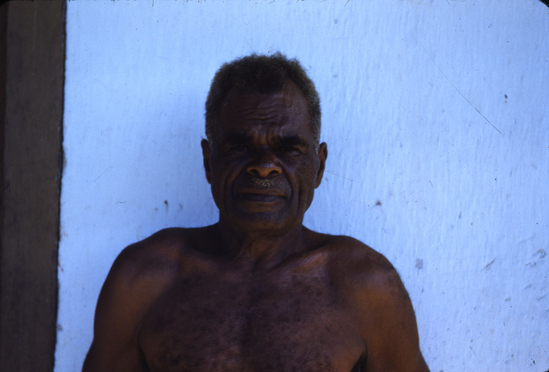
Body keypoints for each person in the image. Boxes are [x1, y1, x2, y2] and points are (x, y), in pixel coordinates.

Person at [83, 53, 430, 372]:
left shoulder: (365, 286)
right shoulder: (145, 278)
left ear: (319, 167)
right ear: (208, 161)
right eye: (240, 147)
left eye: (288, 149)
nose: (264, 167)